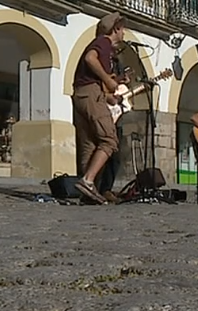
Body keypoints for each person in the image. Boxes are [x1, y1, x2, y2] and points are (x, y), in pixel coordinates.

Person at [71, 12, 128, 204]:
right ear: (116, 29)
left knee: (89, 144)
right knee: (110, 140)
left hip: (82, 95)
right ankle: (88, 181)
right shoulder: (103, 42)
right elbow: (90, 59)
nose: (124, 33)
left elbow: (90, 73)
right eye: (123, 29)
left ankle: (87, 191)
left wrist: (113, 82)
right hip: (90, 94)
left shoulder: (104, 47)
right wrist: (107, 80)